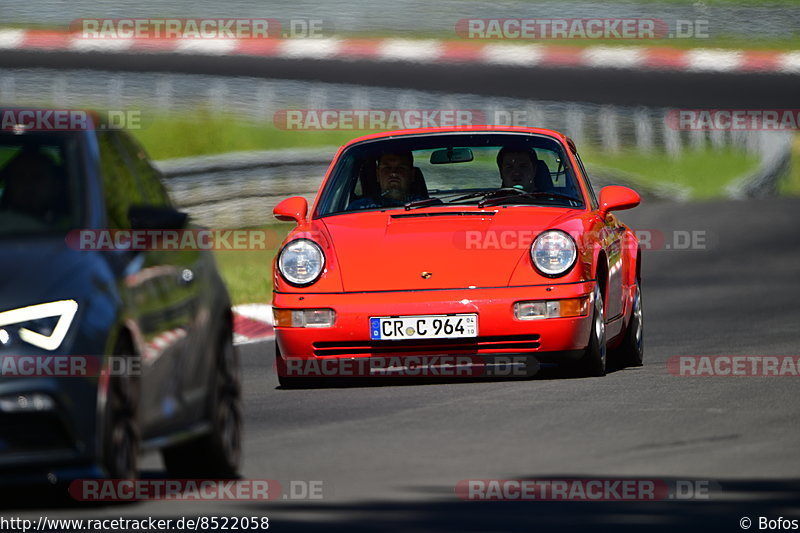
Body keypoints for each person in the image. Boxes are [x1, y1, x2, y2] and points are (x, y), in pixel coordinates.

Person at [348, 151, 426, 209]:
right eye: (387, 168)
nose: (393, 173)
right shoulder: (358, 208)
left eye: (401, 168)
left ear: (412, 175)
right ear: (378, 175)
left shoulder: (429, 206)